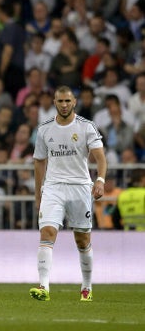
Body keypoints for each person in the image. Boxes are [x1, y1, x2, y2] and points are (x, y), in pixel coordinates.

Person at [30, 86, 107, 302]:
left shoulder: (86, 127)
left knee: (82, 240)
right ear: (54, 102)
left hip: (80, 187)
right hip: (53, 187)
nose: (64, 105)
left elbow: (101, 158)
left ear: (74, 102)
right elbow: (39, 163)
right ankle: (43, 287)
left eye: (67, 101)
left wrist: (100, 180)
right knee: (47, 233)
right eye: (60, 101)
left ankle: (87, 286)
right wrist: (38, 195)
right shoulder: (44, 129)